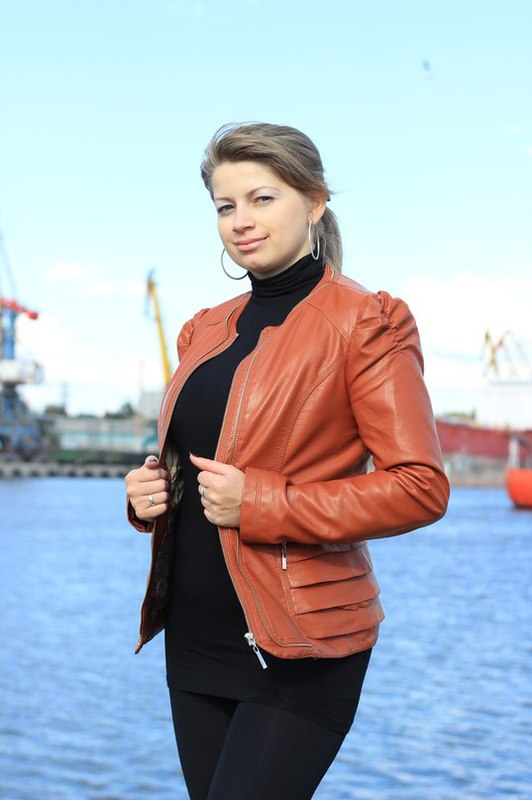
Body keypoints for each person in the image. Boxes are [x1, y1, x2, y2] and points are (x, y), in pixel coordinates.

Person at [125, 122, 450, 800]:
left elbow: (421, 487)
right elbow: (201, 464)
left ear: (315, 201)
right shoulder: (203, 329)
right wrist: (151, 493)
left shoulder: (367, 322)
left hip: (303, 642)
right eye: (225, 206)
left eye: (262, 198)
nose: (241, 221)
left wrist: (263, 503)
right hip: (195, 638)